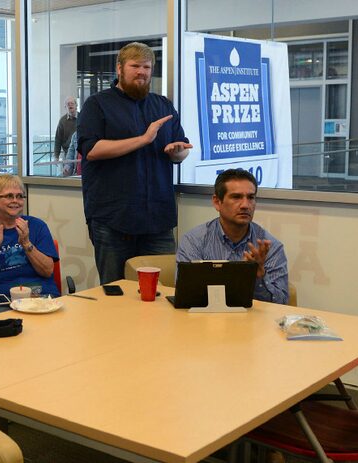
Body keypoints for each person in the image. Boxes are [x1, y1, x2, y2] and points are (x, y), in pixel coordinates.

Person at [78, 42, 192, 284]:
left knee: (163, 295)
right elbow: (91, 150)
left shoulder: (162, 105)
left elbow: (181, 151)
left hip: (158, 220)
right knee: (117, 294)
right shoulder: (97, 105)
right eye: (135, 66)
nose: (142, 72)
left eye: (147, 67)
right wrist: (143, 139)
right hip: (113, 220)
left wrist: (177, 151)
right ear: (120, 68)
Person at [177, 169, 288, 304]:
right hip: (205, 321)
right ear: (217, 202)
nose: (245, 205)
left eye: (251, 198)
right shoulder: (194, 241)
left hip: (253, 322)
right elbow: (186, 295)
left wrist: (258, 278)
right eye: (236, 197)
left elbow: (281, 303)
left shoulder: (270, 247)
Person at [0, 174, 59, 314]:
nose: (15, 201)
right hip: (2, 301)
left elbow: (48, 270)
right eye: (9, 196)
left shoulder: (37, 226)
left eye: (19, 196)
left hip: (40, 296)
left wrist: (26, 243)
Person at [54, 96, 78, 177]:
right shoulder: (62, 121)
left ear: (76, 105)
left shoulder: (82, 117)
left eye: (72, 103)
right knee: (67, 175)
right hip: (67, 153)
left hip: (78, 152)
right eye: (68, 104)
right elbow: (58, 139)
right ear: (65, 107)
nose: (70, 106)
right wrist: (56, 156)